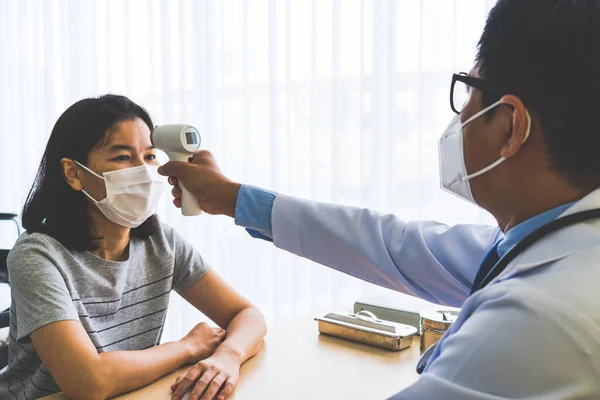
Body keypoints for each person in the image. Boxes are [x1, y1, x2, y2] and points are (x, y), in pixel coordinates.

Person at [159, 0, 600, 398]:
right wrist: (234, 198)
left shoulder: (535, 317)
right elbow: (393, 244)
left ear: (510, 125)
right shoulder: (550, 242)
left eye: (468, 90)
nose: (461, 114)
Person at [1, 94, 266, 400]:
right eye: (122, 157)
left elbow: (248, 315)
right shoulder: (37, 256)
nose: (143, 172)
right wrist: (186, 347)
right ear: (73, 173)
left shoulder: (162, 244)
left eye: (150, 156)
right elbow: (87, 382)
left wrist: (228, 356)